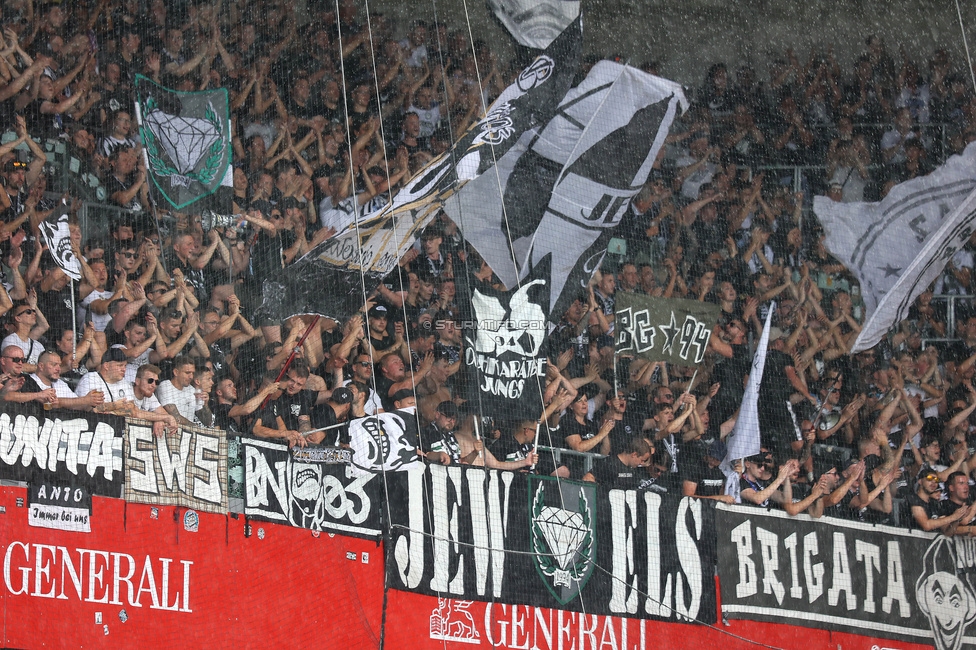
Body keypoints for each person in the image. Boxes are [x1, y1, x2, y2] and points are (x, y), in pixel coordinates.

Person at [583, 435, 654, 489]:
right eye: (642, 460)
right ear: (634, 454)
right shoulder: (609, 463)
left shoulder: (635, 470)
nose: (642, 463)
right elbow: (588, 478)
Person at [156, 356, 201, 426]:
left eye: (193, 373)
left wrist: (205, 403)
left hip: (189, 434)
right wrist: (195, 427)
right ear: (176, 372)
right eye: (187, 373)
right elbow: (176, 417)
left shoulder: (192, 390)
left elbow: (207, 421)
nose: (191, 377)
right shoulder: (165, 386)